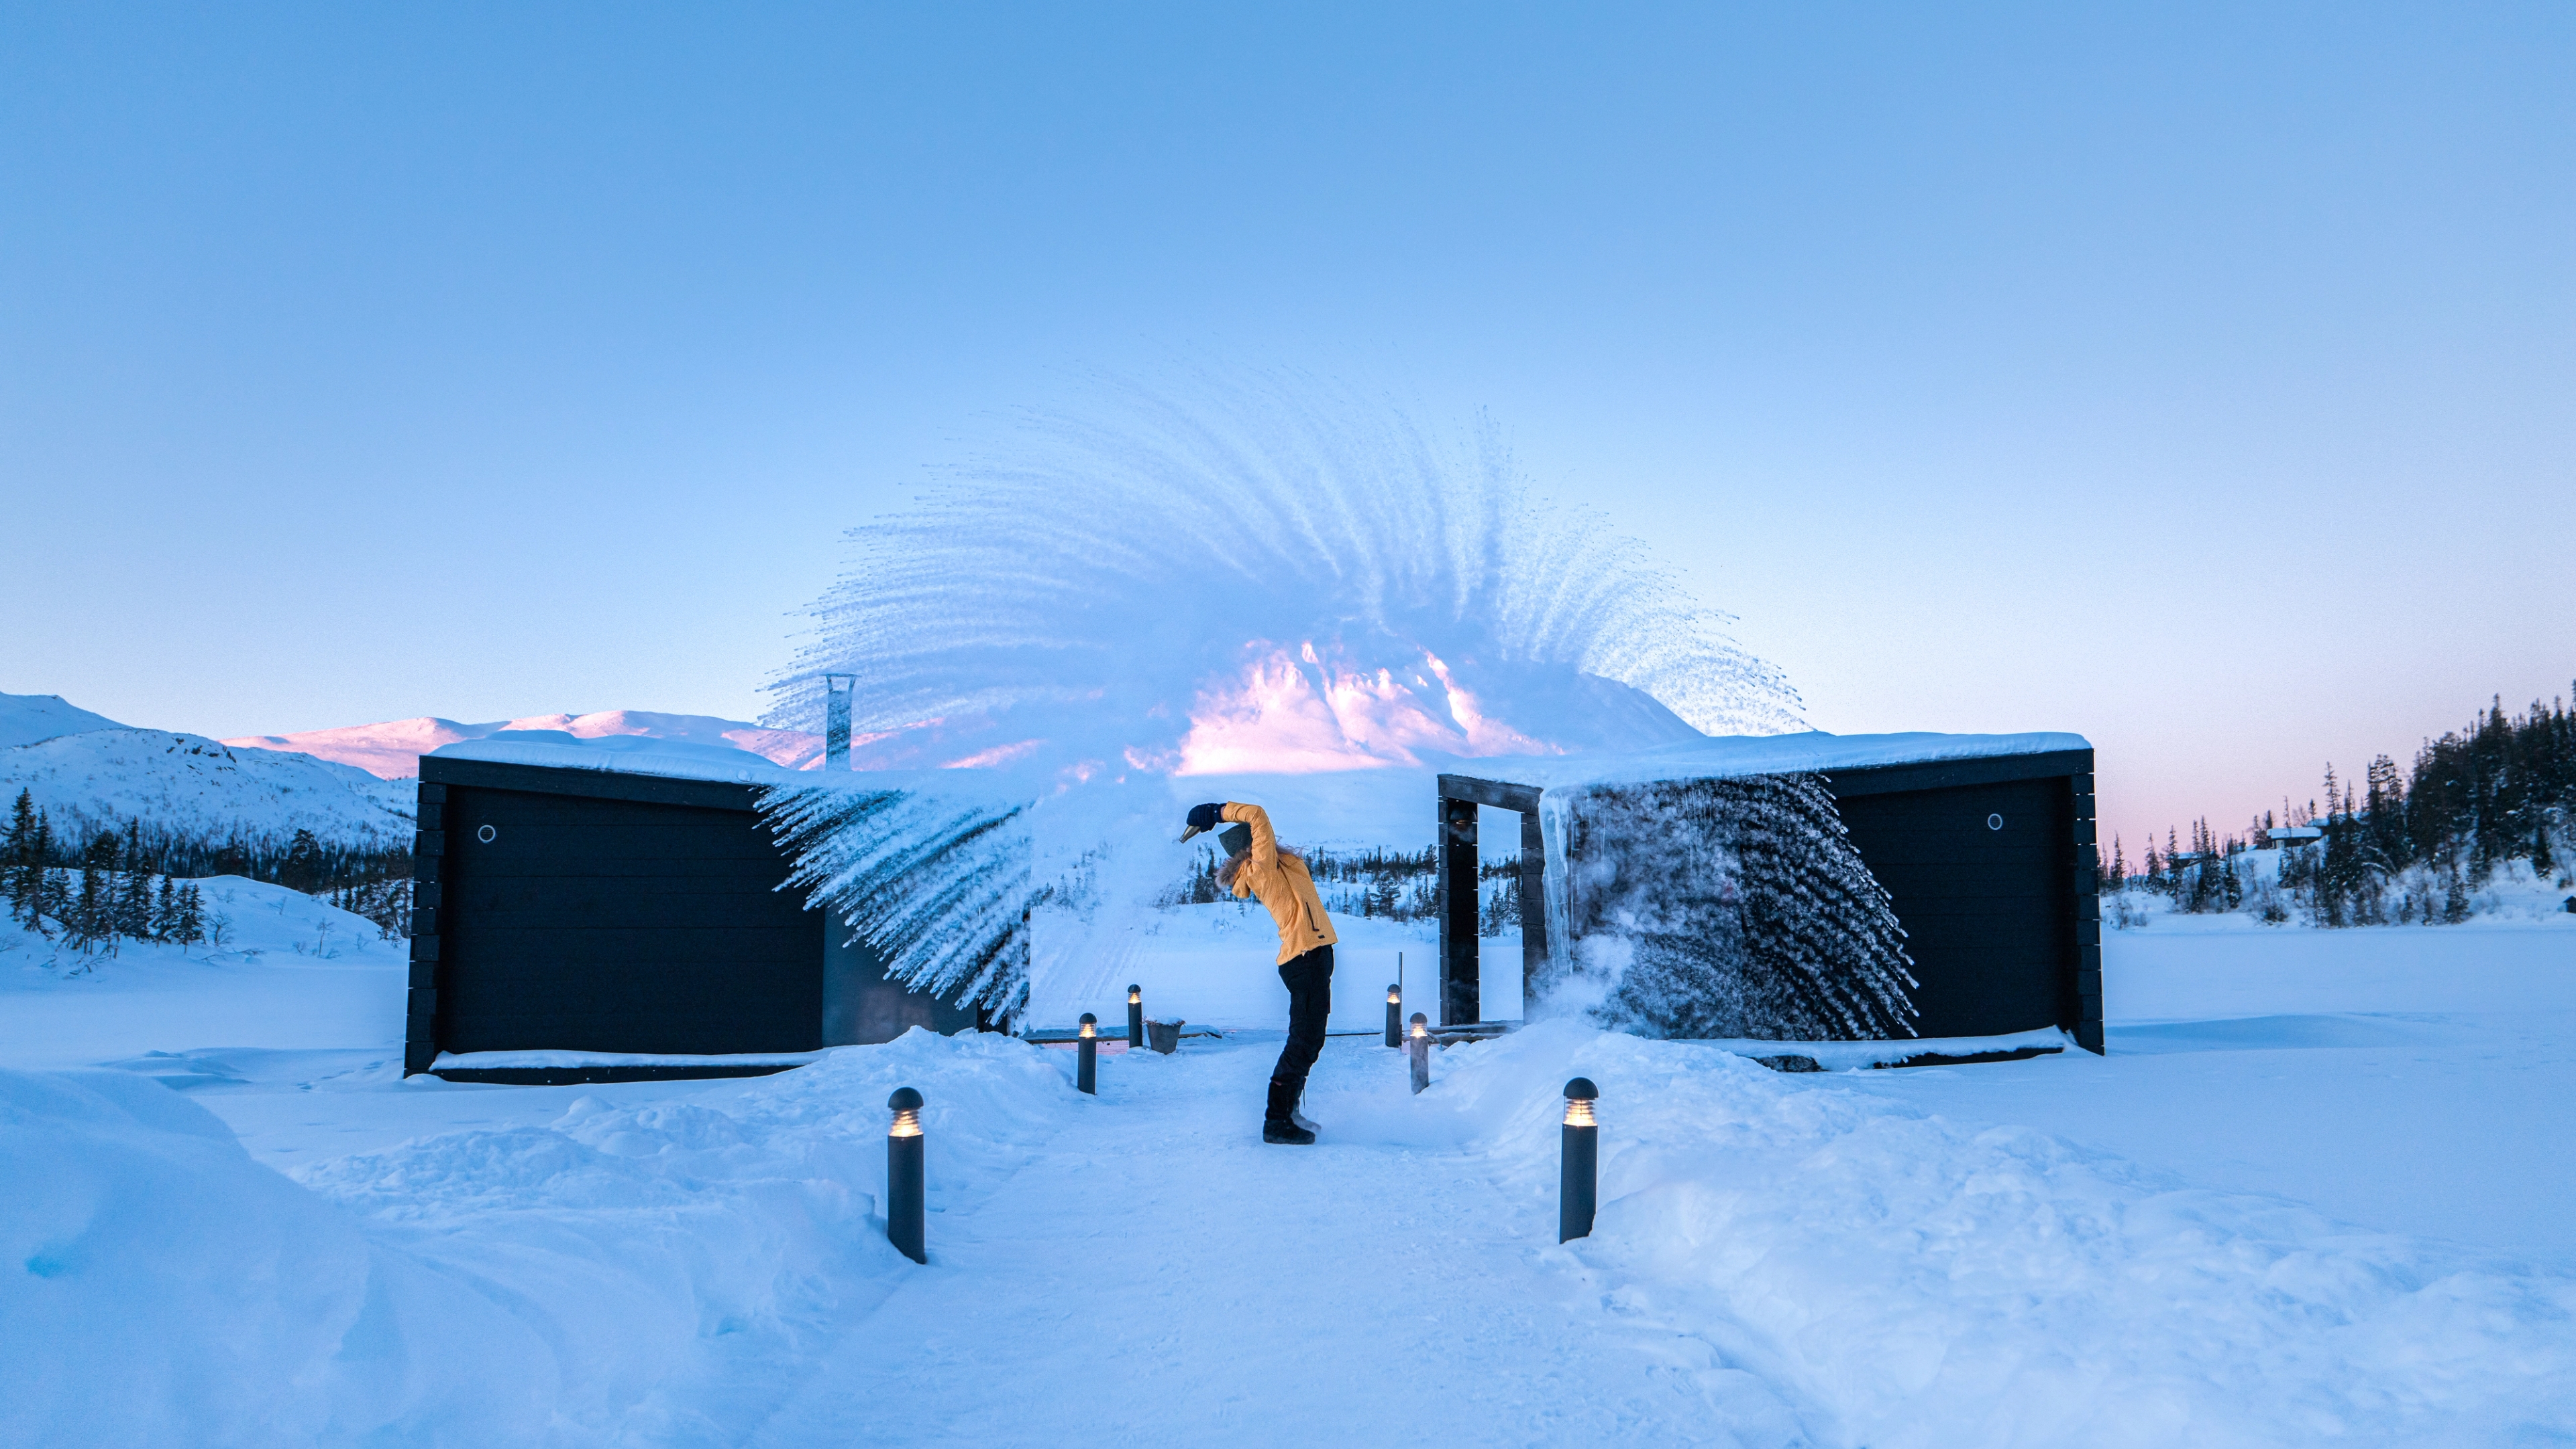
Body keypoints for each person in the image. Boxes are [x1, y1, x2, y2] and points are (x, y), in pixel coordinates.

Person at [1181, 800, 1336, 1144]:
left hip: (1313, 956)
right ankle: (1276, 1121)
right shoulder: (1262, 868)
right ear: (1251, 847)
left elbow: (1292, 860)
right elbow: (1258, 814)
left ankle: (1290, 1112)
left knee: (1310, 1042)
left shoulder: (1281, 867)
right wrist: (1216, 812)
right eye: (1261, 840)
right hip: (1305, 958)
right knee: (1302, 1043)